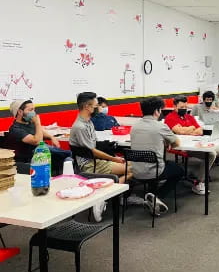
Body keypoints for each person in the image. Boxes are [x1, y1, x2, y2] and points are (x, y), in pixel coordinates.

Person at [69, 92, 131, 222]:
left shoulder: (88, 122)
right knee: (133, 169)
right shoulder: (80, 127)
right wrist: (113, 158)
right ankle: (103, 196)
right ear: (87, 106)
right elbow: (93, 151)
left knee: (131, 165)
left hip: (95, 160)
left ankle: (116, 193)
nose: (99, 108)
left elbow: (94, 146)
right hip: (90, 164)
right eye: (96, 105)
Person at [130, 97, 185, 216]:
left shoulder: (134, 126)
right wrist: (167, 143)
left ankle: (151, 195)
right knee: (179, 170)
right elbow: (177, 143)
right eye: (160, 110)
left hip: (135, 170)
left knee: (155, 163)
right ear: (157, 111)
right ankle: (156, 197)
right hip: (154, 171)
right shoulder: (160, 126)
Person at [5, 99, 71, 175]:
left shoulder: (29, 123)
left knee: (66, 158)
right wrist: (37, 123)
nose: (33, 113)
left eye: (34, 109)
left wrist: (51, 137)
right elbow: (37, 141)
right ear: (20, 112)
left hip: (44, 153)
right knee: (67, 155)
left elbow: (40, 132)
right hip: (33, 158)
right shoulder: (15, 129)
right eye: (30, 110)